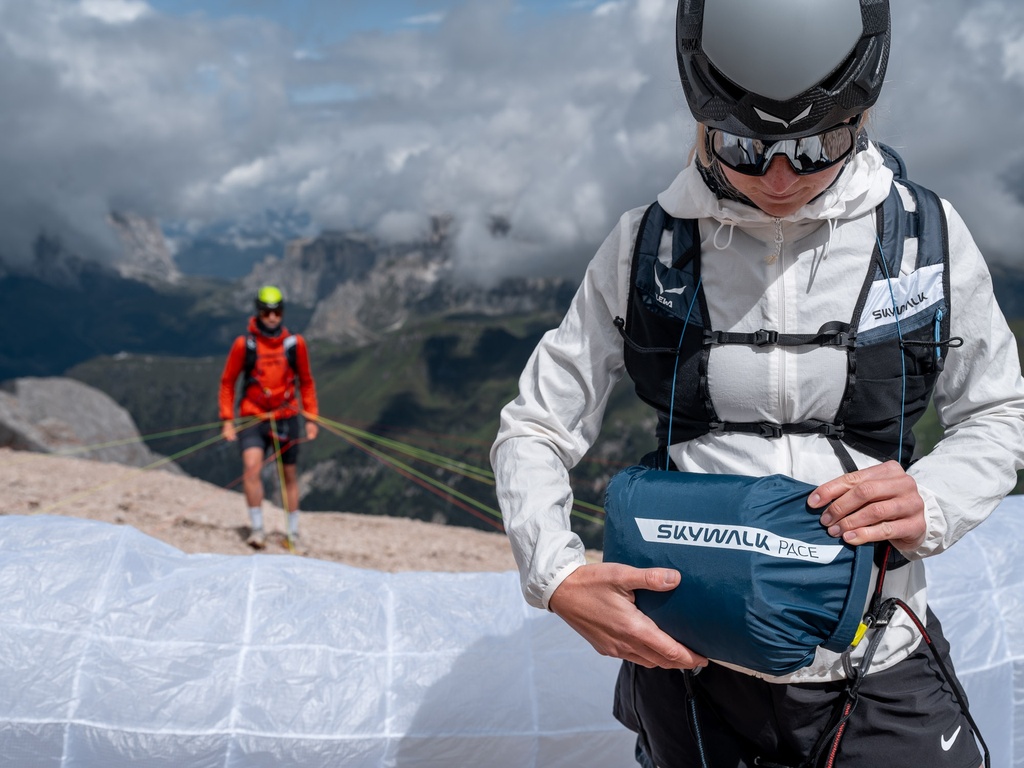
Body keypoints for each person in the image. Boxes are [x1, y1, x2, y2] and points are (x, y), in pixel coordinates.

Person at [491, 1, 1024, 766]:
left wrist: (933, 501)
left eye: (818, 147)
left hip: (874, 653)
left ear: (861, 117)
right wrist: (556, 575)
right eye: (746, 146)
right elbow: (537, 427)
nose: (780, 176)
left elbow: (999, 411)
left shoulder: (927, 235)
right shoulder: (644, 243)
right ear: (705, 119)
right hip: (689, 664)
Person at [220, 285, 319, 551]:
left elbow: (306, 382)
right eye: (266, 312)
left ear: (282, 313)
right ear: (258, 312)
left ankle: (293, 534)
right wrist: (227, 419)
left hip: (287, 417)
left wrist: (311, 418)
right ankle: (257, 529)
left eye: (276, 312)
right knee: (251, 469)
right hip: (253, 418)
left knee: (288, 476)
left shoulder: (295, 345)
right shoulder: (245, 345)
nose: (272, 317)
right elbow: (228, 382)